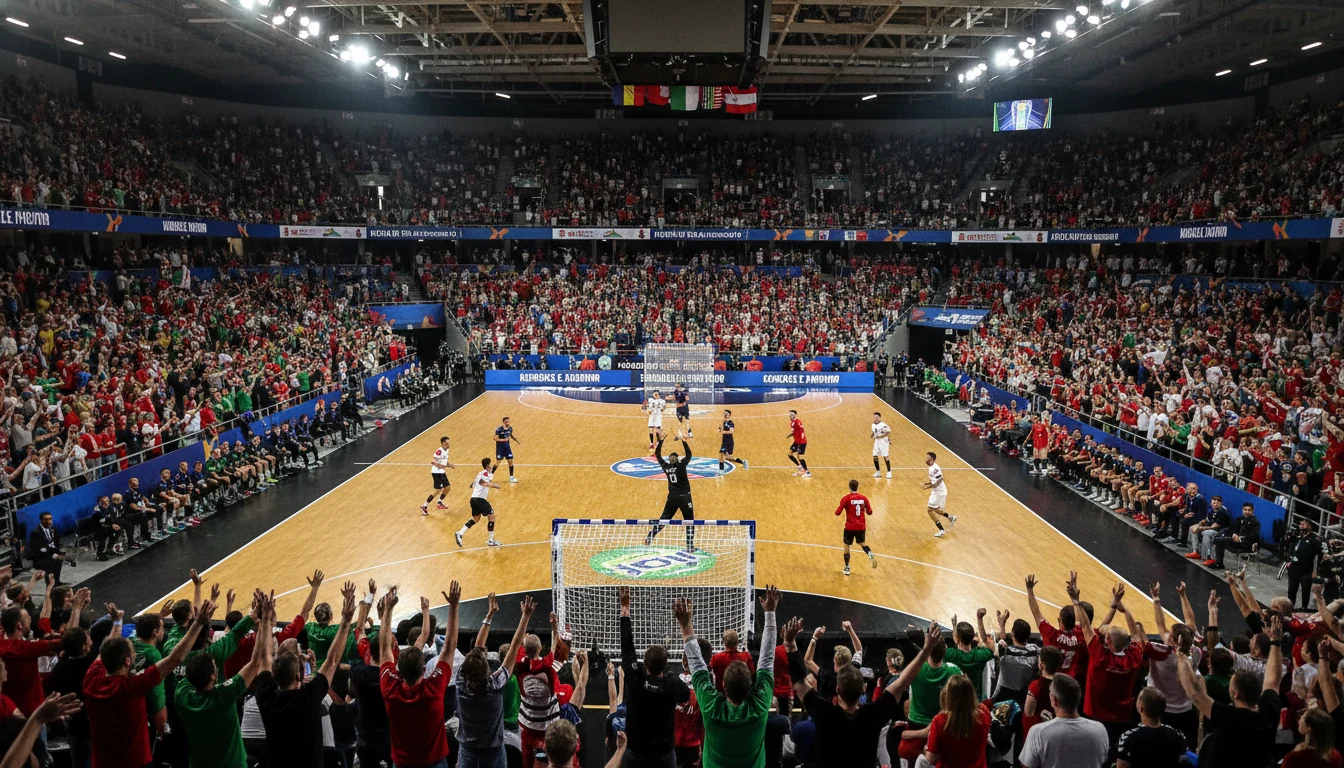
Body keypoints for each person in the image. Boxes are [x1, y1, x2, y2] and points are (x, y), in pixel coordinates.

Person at [785, 616, 942, 768]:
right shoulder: (872, 715)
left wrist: (790, 644)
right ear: (862, 690)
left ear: (837, 689)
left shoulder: (825, 713)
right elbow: (902, 682)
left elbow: (799, 682)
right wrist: (926, 651)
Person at [255, 582, 356, 768]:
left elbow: (262, 658)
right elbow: (333, 660)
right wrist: (346, 621)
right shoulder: (309, 697)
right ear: (298, 677)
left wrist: (265, 621)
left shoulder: (266, 697)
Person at [678, 587, 779, 768]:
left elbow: (697, 666)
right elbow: (767, 659)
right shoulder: (759, 706)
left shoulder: (711, 707)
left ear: (723, 684)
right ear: (750, 686)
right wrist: (770, 614)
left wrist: (686, 625)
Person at [175, 592, 275, 768]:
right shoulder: (224, 694)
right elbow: (256, 661)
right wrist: (264, 619)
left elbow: (179, 658)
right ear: (214, 675)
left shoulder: (181, 694)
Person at [1176, 614, 1285, 768]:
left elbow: (1195, 694)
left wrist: (1181, 655)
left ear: (1236, 694)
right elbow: (1273, 680)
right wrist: (1276, 642)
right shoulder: (1269, 711)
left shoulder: (1229, 717)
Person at [379, 583, 460, 768]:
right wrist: (454, 607)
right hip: (433, 762)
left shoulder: (390, 688)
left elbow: (384, 648)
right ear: (424, 668)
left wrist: (388, 610)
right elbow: (450, 646)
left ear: (398, 670)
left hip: (403, 763)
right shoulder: (434, 689)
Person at [456, 592, 534, 768]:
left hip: (467, 750)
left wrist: (489, 616)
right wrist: (525, 617)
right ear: (486, 669)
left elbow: (478, 649)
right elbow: (514, 648)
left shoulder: (461, 682)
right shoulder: (494, 685)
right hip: (492, 753)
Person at [618, 586, 689, 767]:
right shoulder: (672, 684)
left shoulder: (635, 679)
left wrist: (625, 608)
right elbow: (686, 695)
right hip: (663, 755)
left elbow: (627, 648)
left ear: (645, 664)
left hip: (636, 753)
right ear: (665, 667)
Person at [1019, 675, 1108, 768]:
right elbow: (1102, 760)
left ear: (1054, 700)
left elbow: (1026, 765)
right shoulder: (1100, 729)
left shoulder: (1038, 732)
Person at [925, 674, 992, 768]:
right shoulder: (984, 713)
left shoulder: (940, 721)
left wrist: (926, 748)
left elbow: (931, 759)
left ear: (949, 696)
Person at [646, 434, 695, 552]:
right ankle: (689, 545)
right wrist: (684, 441)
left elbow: (658, 455)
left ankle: (650, 535)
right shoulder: (682, 465)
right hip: (685, 498)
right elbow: (689, 454)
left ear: (669, 460)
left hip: (672, 498)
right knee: (689, 522)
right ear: (678, 459)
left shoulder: (666, 467)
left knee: (663, 519)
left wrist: (661, 441)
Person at [1116, 687, 1187, 768]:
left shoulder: (1128, 738)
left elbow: (1122, 766)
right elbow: (1183, 761)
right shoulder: (1176, 735)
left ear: (1141, 708)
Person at [456, 458, 503, 548]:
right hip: (480, 499)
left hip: (473, 499)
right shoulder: (485, 473)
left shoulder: (481, 473)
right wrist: (494, 485)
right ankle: (491, 540)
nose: (492, 464)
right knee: (492, 517)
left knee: (476, 519)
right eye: (490, 463)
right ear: (487, 465)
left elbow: (472, 485)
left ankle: (460, 533)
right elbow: (482, 482)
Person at [834, 479, 877, 575]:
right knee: (862, 543)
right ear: (858, 487)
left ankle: (847, 567)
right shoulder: (864, 498)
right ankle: (869, 553)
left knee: (846, 546)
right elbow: (870, 512)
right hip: (861, 526)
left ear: (849, 487)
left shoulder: (846, 499)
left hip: (849, 527)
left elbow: (837, 513)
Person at [27, 512, 72, 583]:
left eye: (50, 519)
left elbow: (56, 543)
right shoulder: (35, 533)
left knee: (59, 560)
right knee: (50, 564)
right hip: (40, 557)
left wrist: (59, 552)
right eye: (46, 519)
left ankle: (57, 582)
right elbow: (37, 549)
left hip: (50, 553)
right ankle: (50, 586)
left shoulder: (53, 529)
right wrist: (53, 555)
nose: (48, 522)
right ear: (41, 520)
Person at [923, 452, 956, 538]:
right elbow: (933, 480)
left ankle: (941, 530)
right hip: (935, 491)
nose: (926, 459)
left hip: (939, 492)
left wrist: (928, 487)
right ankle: (951, 517)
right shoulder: (931, 468)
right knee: (936, 510)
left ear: (932, 460)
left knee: (930, 510)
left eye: (927, 458)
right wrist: (927, 483)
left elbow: (939, 481)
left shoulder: (936, 469)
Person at [422, 436, 455, 515]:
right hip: (436, 473)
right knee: (438, 490)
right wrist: (440, 466)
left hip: (441, 472)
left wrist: (449, 465)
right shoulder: (439, 451)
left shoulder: (446, 450)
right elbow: (432, 461)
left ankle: (439, 502)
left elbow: (444, 461)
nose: (448, 445)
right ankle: (424, 505)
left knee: (447, 487)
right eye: (447, 443)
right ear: (443, 443)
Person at [493, 416, 520, 483]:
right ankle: (489, 477)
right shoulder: (499, 430)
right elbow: (495, 438)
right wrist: (503, 440)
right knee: (498, 462)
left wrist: (515, 440)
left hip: (507, 448)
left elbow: (510, 435)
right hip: (500, 448)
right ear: (504, 422)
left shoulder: (510, 428)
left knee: (510, 462)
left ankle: (511, 477)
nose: (508, 423)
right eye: (506, 422)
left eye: (508, 421)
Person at [787, 411, 810, 478]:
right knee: (790, 454)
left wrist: (801, 437)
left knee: (800, 457)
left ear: (795, 415)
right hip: (796, 441)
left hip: (801, 442)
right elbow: (795, 431)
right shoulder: (792, 423)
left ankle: (807, 472)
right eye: (790, 414)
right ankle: (800, 468)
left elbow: (801, 429)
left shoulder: (798, 422)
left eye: (792, 414)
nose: (790, 416)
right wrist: (791, 435)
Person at [871, 412, 892, 479]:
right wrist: (873, 435)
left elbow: (888, 432)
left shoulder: (884, 425)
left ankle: (889, 472)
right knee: (874, 456)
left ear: (880, 418)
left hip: (883, 442)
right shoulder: (873, 425)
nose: (876, 419)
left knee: (885, 456)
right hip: (876, 441)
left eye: (877, 417)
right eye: (875, 417)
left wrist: (888, 439)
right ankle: (878, 472)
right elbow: (874, 431)